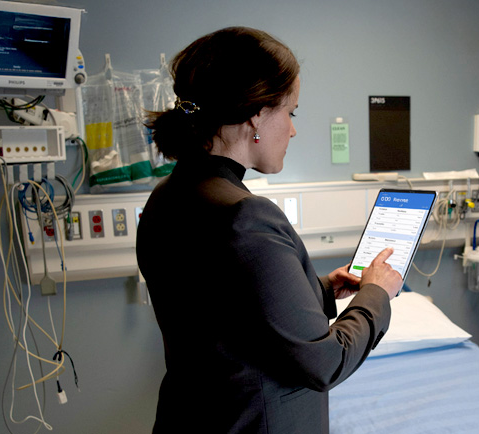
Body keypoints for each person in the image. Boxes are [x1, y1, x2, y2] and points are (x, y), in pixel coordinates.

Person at [135, 27, 403, 433]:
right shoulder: (245, 216)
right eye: (290, 112)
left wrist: (326, 289)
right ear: (257, 113)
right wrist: (376, 294)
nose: (293, 129)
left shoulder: (167, 197)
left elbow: (228, 312)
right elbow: (325, 362)